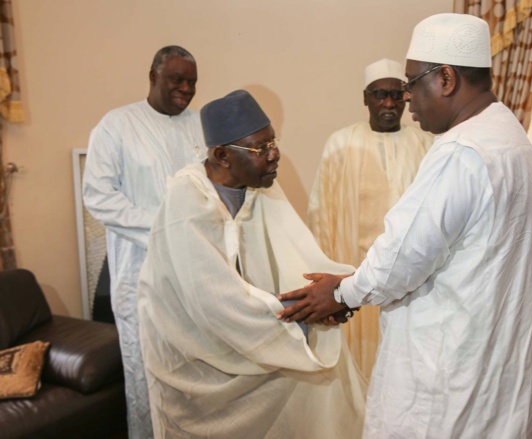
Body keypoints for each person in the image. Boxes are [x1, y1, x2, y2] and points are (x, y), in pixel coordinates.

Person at [278, 13, 532, 439]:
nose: (406, 98)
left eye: (410, 83)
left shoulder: (460, 150)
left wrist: (338, 292)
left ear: (445, 78)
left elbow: (399, 261)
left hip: (450, 381)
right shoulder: (509, 134)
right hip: (495, 368)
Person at [137, 90, 367, 438]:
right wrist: (303, 311)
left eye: (273, 141)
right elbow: (213, 302)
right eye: (261, 148)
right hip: (195, 360)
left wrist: (332, 295)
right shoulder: (186, 202)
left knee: (325, 382)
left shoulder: (261, 186)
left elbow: (298, 256)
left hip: (253, 328)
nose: (275, 155)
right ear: (222, 155)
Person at [82, 45, 204, 438]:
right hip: (140, 275)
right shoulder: (116, 126)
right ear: (153, 77)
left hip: (195, 271)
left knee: (197, 370)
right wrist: (160, 227)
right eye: (177, 79)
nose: (185, 88)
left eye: (192, 82)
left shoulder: (201, 125)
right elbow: (98, 195)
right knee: (145, 376)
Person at [307, 58, 432, 377]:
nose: (389, 103)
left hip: (408, 283)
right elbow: (321, 216)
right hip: (351, 278)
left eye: (396, 94)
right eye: (379, 94)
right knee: (355, 366)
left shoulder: (425, 145)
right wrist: (325, 280)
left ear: (406, 96)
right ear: (365, 98)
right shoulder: (340, 144)